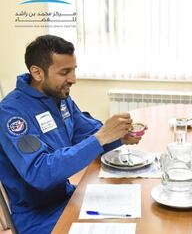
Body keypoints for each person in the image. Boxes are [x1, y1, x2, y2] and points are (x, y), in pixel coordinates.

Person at [0, 35, 143, 234]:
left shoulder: (59, 97)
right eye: (65, 72)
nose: (73, 79)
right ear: (37, 73)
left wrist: (117, 136)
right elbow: (40, 173)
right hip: (37, 216)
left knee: (134, 211)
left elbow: (86, 132)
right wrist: (101, 138)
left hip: (66, 197)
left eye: (73, 70)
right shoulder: (12, 114)